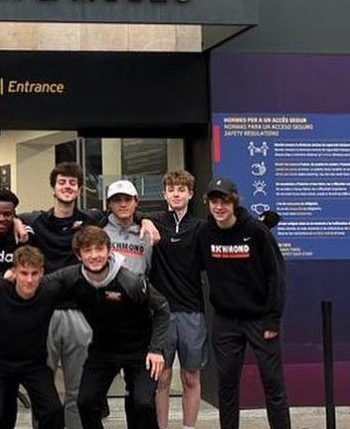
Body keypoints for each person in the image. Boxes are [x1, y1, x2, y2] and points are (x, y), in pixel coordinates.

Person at [17, 163, 159, 428]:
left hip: (80, 314)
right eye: (62, 182)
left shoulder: (94, 220)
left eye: (72, 183)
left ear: (80, 189)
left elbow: (125, 213)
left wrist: (146, 220)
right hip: (45, 313)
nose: (67, 187)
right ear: (53, 187)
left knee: (78, 393)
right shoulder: (35, 221)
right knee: (43, 390)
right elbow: (0, 213)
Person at [198, 178, 290, 429]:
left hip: (260, 319)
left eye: (224, 201)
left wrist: (273, 319)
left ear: (234, 201)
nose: (219, 207)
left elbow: (276, 275)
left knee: (273, 384)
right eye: (214, 201)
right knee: (226, 386)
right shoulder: (205, 233)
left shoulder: (255, 231)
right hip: (225, 320)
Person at [64, 226, 169, 429]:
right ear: (79, 255)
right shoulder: (73, 278)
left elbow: (162, 308)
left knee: (143, 403)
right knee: (85, 402)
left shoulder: (131, 281)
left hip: (140, 349)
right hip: (103, 351)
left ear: (109, 250)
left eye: (99, 249)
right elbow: (45, 287)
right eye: (88, 250)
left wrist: (156, 349)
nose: (94, 256)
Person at [0, 245, 64, 429]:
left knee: (53, 410)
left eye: (34, 273)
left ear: (42, 273)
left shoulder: (49, 291)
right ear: (13, 272)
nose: (29, 280)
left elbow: (77, 275)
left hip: (33, 364)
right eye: (23, 273)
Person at [150, 170, 206, 429]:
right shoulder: (153, 222)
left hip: (192, 312)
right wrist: (144, 221)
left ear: (190, 194)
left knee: (191, 377)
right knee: (161, 378)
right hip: (161, 314)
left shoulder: (200, 227)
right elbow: (125, 216)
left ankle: (189, 427)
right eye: (171, 189)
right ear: (164, 194)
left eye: (181, 189)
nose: (176, 193)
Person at [103, 179, 153, 275]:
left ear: (136, 202)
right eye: (117, 200)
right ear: (109, 204)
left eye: (128, 199)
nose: (123, 204)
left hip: (138, 288)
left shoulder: (147, 232)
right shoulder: (101, 231)